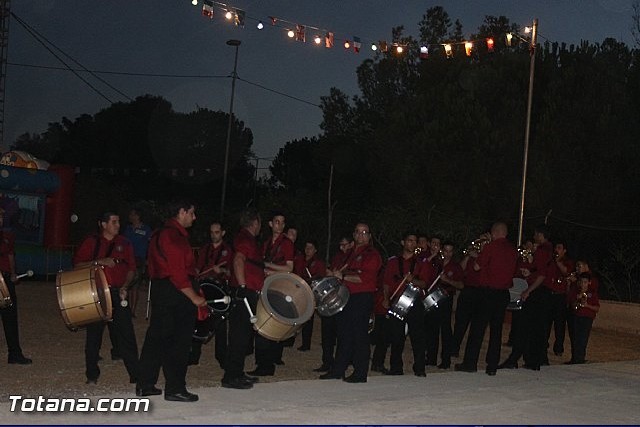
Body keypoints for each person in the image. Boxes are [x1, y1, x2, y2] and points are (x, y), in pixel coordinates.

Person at [136, 200, 206, 402]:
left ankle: (145, 384)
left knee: (156, 339)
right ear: (182, 212)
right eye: (192, 213)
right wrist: (195, 297)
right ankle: (175, 388)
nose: (194, 217)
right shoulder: (173, 236)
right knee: (179, 342)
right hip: (176, 293)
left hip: (161, 289)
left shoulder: (159, 233)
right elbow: (177, 273)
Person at [73, 211, 139, 385]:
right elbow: (77, 265)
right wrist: (99, 262)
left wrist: (125, 286)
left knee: (127, 334)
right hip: (97, 293)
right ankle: (92, 375)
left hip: (118, 292)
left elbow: (132, 269)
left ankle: (136, 374)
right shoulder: (91, 242)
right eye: (114, 222)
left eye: (118, 221)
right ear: (103, 224)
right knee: (94, 336)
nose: (118, 225)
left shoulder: (125, 243)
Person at [320, 222, 382, 383]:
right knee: (343, 334)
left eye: (364, 232)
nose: (361, 235)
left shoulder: (372, 254)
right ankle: (338, 369)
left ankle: (360, 373)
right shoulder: (349, 254)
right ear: (354, 235)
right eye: (358, 232)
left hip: (361, 297)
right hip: (346, 297)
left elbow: (365, 278)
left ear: (369, 236)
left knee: (359, 335)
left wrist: (343, 276)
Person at [455, 222, 517, 376]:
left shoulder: (490, 247)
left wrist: (481, 252)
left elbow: (476, 267)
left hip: (487, 293)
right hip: (503, 294)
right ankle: (492, 366)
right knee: (496, 330)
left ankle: (470, 363)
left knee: (477, 329)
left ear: (494, 233)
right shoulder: (513, 249)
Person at [373, 231, 433, 377]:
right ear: (403, 242)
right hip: (396, 302)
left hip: (414, 302)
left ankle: (419, 368)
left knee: (417, 336)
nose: (412, 244)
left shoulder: (421, 263)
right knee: (396, 336)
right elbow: (386, 282)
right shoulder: (393, 261)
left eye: (414, 241)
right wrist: (386, 299)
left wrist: (412, 279)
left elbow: (424, 283)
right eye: (409, 240)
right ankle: (396, 368)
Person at [499, 224, 555, 371]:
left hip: (538, 293)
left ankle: (517, 359)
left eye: (536, 234)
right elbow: (540, 272)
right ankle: (533, 360)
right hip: (543, 293)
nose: (534, 237)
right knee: (536, 329)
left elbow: (542, 275)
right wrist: (529, 273)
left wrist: (528, 290)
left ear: (540, 235)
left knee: (524, 327)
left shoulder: (542, 250)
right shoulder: (549, 250)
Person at [248, 211, 295, 376]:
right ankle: (263, 363)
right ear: (270, 224)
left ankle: (266, 365)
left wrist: (268, 268)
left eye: (282, 222)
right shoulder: (266, 242)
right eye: (276, 222)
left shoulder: (287, 243)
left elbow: (289, 268)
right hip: (265, 286)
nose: (280, 225)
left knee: (269, 325)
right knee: (261, 324)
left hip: (278, 287)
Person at [221, 207, 263, 390]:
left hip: (245, 291)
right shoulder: (246, 239)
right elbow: (239, 260)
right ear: (255, 223)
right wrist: (243, 287)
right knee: (239, 336)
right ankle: (231, 377)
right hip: (243, 293)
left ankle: (237, 372)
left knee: (243, 335)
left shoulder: (245, 238)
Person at [188, 220, 234, 368]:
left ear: (223, 233)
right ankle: (194, 355)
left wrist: (223, 271)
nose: (214, 235)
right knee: (199, 319)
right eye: (212, 232)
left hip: (220, 289)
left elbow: (232, 272)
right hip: (203, 287)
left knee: (219, 321)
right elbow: (197, 268)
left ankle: (222, 357)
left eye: (217, 232)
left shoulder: (229, 250)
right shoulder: (205, 249)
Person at [313, 234, 353, 373]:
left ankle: (343, 362)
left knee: (343, 334)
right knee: (327, 333)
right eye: (340, 245)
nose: (342, 247)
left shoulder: (353, 258)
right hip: (331, 298)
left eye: (345, 244)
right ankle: (327, 361)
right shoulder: (337, 257)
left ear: (351, 244)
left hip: (344, 299)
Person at [0, 208, 32, 365]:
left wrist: (13, 274)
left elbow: (10, 255)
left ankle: (15, 354)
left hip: (5, 281)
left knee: (10, 318)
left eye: (1, 215)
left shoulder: (7, 236)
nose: (0, 218)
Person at [425, 241, 463, 369]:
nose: (447, 253)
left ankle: (445, 360)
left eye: (450, 251)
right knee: (431, 328)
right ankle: (431, 358)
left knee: (446, 329)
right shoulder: (436, 263)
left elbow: (461, 285)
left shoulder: (456, 266)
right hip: (433, 296)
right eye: (445, 250)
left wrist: (448, 280)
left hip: (446, 298)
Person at [294, 239, 326, 351]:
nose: (308, 250)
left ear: (315, 250)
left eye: (311, 247)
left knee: (308, 318)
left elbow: (320, 277)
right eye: (306, 247)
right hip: (297, 291)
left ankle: (306, 344)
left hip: (310, 292)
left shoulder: (318, 263)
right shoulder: (299, 260)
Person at [451, 244, 482, 358]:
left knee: (476, 325)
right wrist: (469, 256)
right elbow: (460, 268)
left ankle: (471, 355)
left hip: (480, 291)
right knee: (460, 322)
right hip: (467, 289)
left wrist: (478, 256)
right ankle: (454, 349)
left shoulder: (485, 255)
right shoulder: (471, 255)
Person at [546, 241, 575, 357]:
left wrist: (558, 262)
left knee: (559, 324)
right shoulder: (550, 261)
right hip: (550, 294)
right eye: (555, 247)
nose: (556, 250)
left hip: (560, 296)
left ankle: (558, 348)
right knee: (546, 322)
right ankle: (544, 344)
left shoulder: (567, 262)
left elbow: (566, 272)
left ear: (564, 251)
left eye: (559, 248)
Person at [122, 208, 152, 318]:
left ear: (138, 216)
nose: (130, 217)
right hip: (128, 259)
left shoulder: (146, 229)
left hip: (139, 259)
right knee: (127, 284)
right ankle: (126, 308)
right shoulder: (128, 229)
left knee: (135, 285)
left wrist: (149, 258)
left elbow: (150, 244)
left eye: (132, 215)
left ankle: (132, 311)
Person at [565, 272, 599, 364]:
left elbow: (597, 308)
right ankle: (575, 358)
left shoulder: (592, 293)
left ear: (589, 282)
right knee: (574, 338)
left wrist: (587, 305)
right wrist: (577, 299)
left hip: (587, 318)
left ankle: (580, 358)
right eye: (581, 282)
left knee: (583, 338)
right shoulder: (575, 291)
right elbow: (570, 303)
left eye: (585, 282)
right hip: (576, 316)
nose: (583, 284)